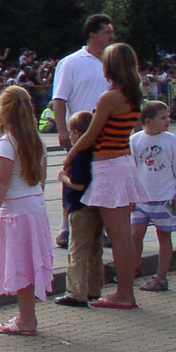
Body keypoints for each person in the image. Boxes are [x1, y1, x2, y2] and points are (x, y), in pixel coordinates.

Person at [59, 42, 144, 309]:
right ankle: (125, 291)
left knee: (118, 237)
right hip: (123, 161)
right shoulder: (133, 94)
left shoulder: (110, 97)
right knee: (123, 235)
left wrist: (70, 156)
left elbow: (90, 135)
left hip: (107, 166)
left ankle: (124, 294)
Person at [0, 84, 56, 336]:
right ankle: (27, 316)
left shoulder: (7, 143)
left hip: (15, 212)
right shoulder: (37, 140)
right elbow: (41, 178)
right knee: (30, 263)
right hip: (35, 208)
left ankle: (27, 319)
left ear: (4, 111)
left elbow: (1, 181)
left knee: (19, 264)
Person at [50, 14, 115, 243]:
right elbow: (59, 99)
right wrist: (62, 131)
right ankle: (65, 227)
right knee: (73, 177)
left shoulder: (111, 62)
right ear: (93, 34)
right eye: (107, 32)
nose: (111, 36)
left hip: (107, 133)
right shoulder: (72, 62)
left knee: (104, 179)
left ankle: (103, 227)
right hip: (80, 132)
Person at [131, 100, 176, 293]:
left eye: (168, 117)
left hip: (164, 197)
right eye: (162, 118)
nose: (167, 121)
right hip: (141, 198)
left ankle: (161, 276)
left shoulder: (170, 140)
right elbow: (130, 169)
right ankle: (135, 266)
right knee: (135, 234)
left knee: (164, 236)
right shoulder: (136, 140)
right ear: (148, 121)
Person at [54, 111, 101, 307]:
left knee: (77, 251)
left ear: (76, 132)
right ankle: (94, 289)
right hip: (97, 206)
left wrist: (63, 177)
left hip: (80, 208)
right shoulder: (97, 150)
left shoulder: (80, 154)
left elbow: (78, 184)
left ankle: (76, 293)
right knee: (95, 251)